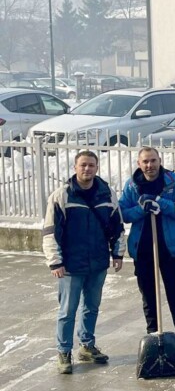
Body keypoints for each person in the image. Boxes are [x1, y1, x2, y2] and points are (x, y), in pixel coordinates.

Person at [43, 150, 125, 374]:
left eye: (91, 165)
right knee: (67, 311)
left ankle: (87, 346)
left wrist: (118, 254)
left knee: (92, 307)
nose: (87, 169)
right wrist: (55, 261)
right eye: (83, 165)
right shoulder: (62, 196)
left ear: (97, 168)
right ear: (75, 167)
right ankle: (64, 351)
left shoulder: (106, 194)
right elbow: (50, 231)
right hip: (71, 265)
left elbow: (116, 226)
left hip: (98, 263)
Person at [119, 146, 175, 362]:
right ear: (139, 164)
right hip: (143, 250)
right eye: (145, 161)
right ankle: (154, 341)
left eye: (153, 160)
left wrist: (159, 202)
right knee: (149, 298)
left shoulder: (174, 182)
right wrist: (141, 208)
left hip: (169, 248)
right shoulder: (132, 185)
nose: (150, 165)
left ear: (160, 160)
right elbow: (123, 213)